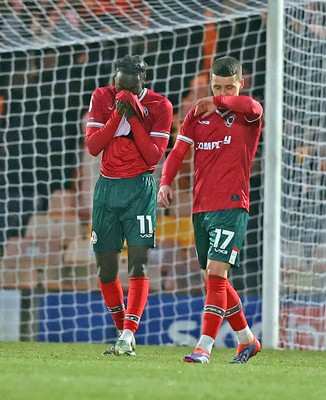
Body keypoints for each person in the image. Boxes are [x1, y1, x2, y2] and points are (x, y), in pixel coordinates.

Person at [158, 55, 263, 363]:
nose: (221, 92)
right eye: (216, 86)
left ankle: (204, 346)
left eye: (228, 87)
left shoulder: (247, 115)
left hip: (232, 204)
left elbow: (254, 107)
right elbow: (178, 151)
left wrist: (217, 100)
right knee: (211, 277)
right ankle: (247, 339)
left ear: (240, 85)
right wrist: (166, 182)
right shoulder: (197, 114)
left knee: (216, 276)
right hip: (201, 207)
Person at [85, 55, 173, 356]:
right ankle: (126, 336)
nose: (122, 93)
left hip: (140, 189)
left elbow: (152, 157)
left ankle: (127, 335)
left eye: (130, 89)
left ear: (142, 83)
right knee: (106, 270)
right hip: (107, 190)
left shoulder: (160, 106)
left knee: (139, 262)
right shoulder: (102, 96)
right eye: (118, 85)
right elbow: (94, 147)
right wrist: (116, 115)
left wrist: (133, 115)